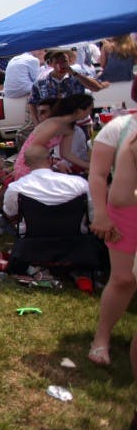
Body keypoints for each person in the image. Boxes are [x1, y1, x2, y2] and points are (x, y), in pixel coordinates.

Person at [89, 113, 137, 366]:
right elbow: (98, 174)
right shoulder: (120, 127)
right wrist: (100, 213)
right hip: (125, 211)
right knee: (123, 279)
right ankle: (101, 337)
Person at [13, 94, 94, 180]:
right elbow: (34, 149)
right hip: (29, 163)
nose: (90, 113)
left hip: (42, 164)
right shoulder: (54, 124)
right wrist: (53, 162)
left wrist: (90, 166)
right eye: (90, 109)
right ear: (80, 111)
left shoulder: (69, 128)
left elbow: (66, 154)